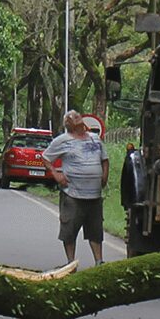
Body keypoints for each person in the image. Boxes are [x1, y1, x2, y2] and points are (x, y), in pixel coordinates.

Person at [41, 109, 109, 265]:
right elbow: (45, 158)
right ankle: (70, 262)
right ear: (68, 124)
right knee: (69, 230)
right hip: (72, 195)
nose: (79, 118)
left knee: (95, 231)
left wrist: (104, 175)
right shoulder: (62, 140)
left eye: (78, 116)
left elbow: (105, 159)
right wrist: (56, 174)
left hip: (94, 195)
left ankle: (99, 261)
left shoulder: (95, 139)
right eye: (75, 117)